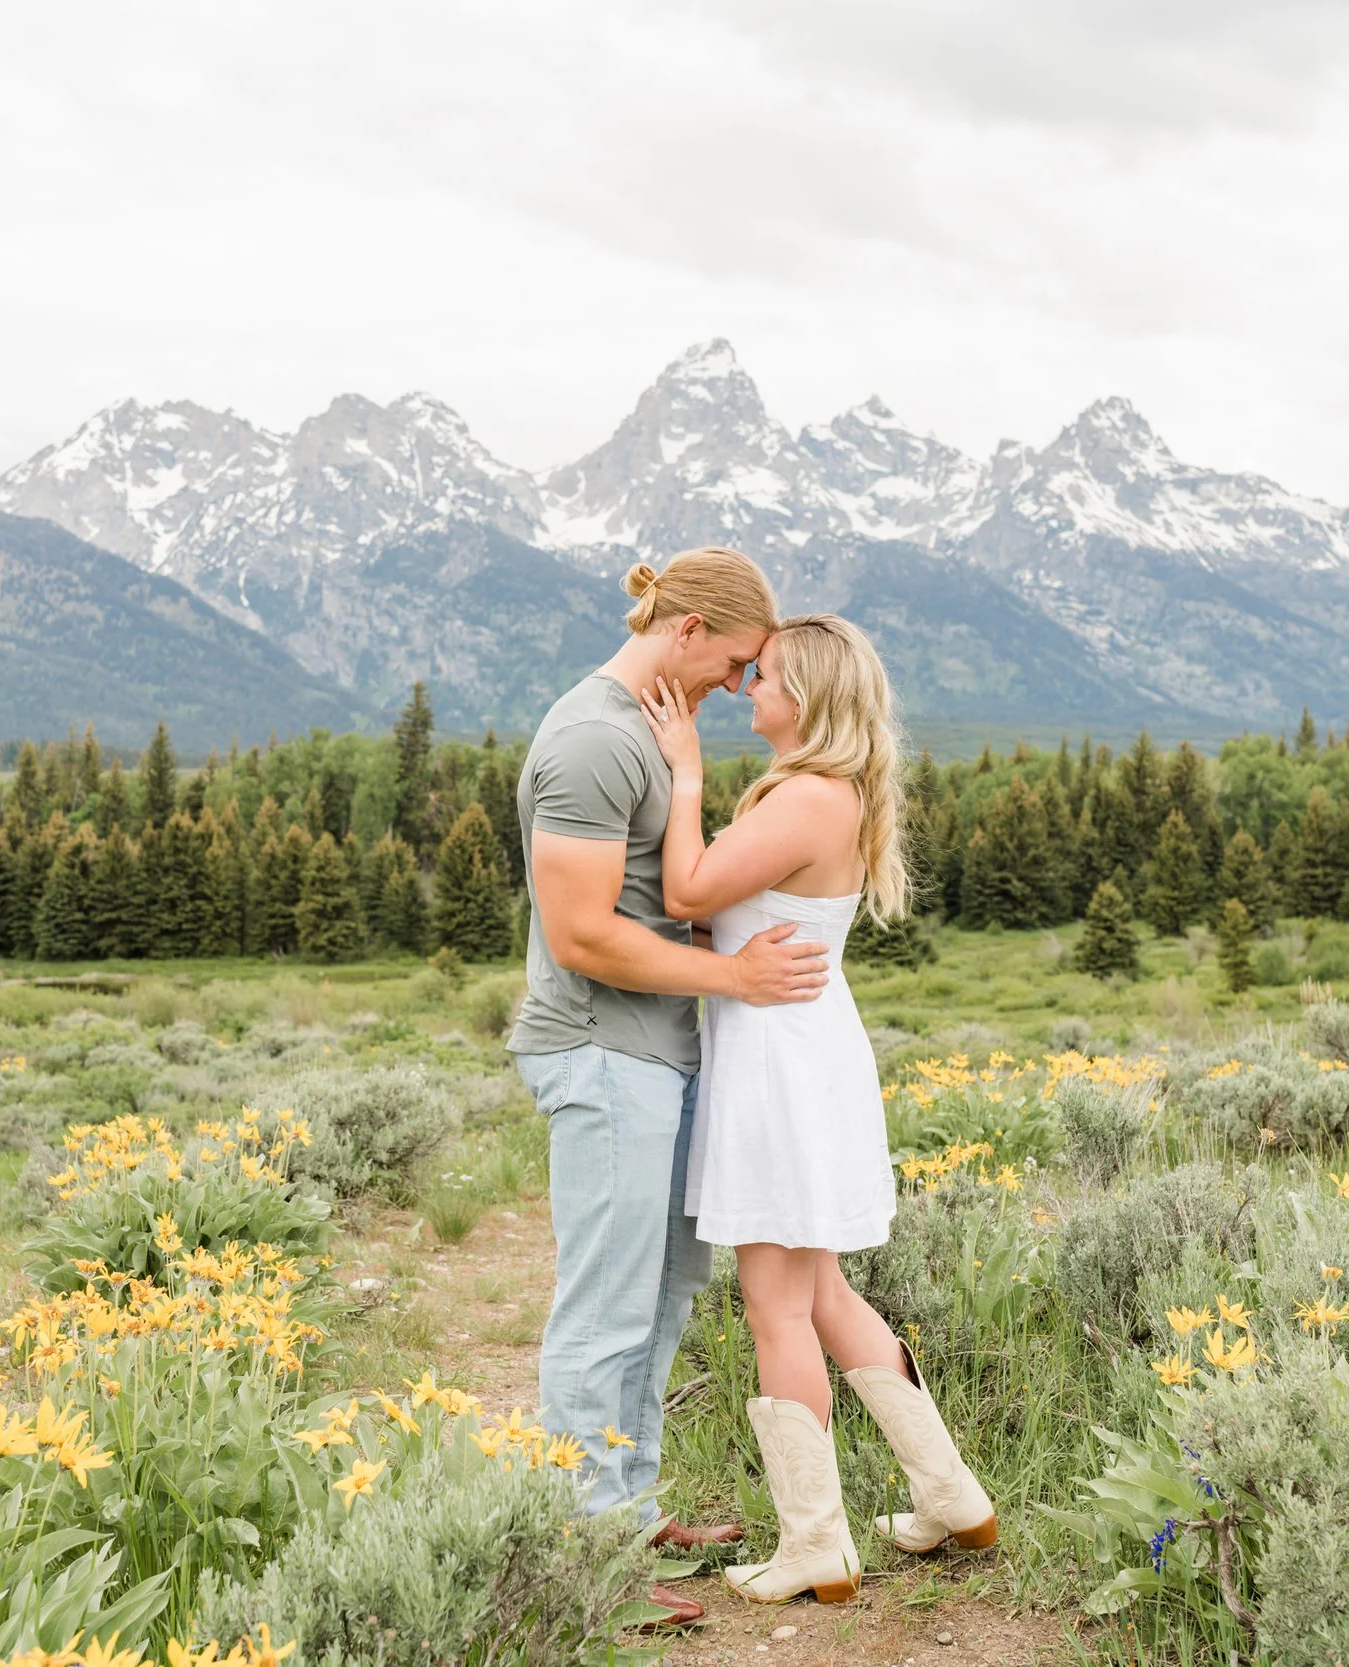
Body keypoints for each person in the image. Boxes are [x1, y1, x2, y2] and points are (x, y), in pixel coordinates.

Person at [636, 614, 998, 1606]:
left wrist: (684, 772)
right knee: (825, 1293)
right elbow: (723, 913)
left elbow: (686, 889)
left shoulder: (804, 795)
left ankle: (816, 1545)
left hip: (778, 1070)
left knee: (777, 1306)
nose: (747, 689)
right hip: (804, 1055)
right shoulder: (831, 794)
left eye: (763, 676)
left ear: (805, 697)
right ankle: (952, 1495)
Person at [510, 546, 830, 1628]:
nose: (740, 687)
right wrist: (736, 976)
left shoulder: (650, 729)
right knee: (603, 1304)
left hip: (661, 1048)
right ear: (687, 628)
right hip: (602, 1050)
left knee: (662, 1292)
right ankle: (582, 1556)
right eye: (735, 662)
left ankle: (628, 1507)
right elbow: (581, 933)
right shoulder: (593, 739)